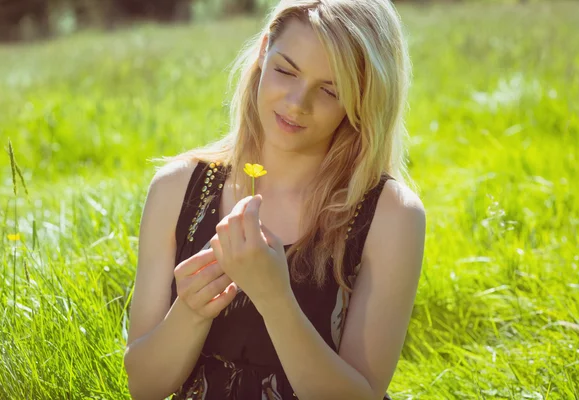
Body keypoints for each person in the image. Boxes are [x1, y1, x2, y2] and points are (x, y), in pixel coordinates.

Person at [123, 0, 426, 399]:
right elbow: (143, 387)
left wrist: (274, 299)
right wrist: (193, 309)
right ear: (264, 50)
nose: (297, 103)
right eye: (286, 70)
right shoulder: (178, 189)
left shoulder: (390, 215)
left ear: (363, 98)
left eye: (330, 90)